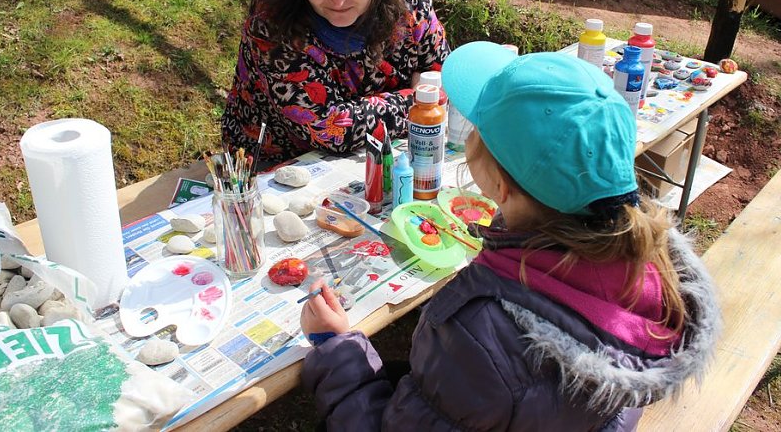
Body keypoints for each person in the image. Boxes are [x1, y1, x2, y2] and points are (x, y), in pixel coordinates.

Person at [299, 43, 722, 430]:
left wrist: (336, 349)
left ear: (499, 188)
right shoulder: (648, 261)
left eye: (476, 127)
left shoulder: (476, 333)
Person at [221, 0, 449, 164]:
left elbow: (444, 75)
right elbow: (332, 129)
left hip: (390, 152)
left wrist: (421, 95)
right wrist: (418, 101)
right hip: (277, 160)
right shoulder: (272, 22)